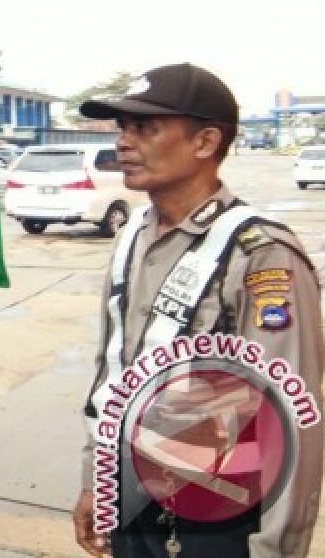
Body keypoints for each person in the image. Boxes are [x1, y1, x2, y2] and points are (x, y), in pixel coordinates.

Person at [71, 64, 323, 558]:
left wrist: (276, 550)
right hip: (131, 498)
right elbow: (113, 374)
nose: (124, 142)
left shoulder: (259, 253)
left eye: (144, 128)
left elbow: (291, 415)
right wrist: (96, 482)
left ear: (205, 142)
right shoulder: (132, 237)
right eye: (122, 127)